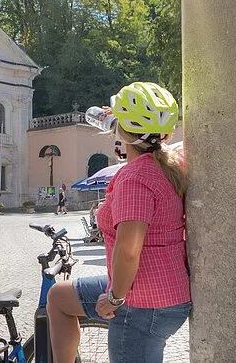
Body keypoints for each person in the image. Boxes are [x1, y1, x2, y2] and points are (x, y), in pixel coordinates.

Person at [46, 82, 189, 363]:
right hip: (170, 293)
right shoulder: (169, 162)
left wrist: (114, 299)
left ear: (122, 130)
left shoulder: (135, 178)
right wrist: (121, 124)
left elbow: (128, 250)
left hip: (142, 304)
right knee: (59, 297)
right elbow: (148, 141)